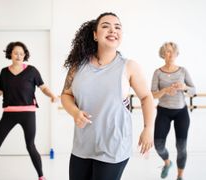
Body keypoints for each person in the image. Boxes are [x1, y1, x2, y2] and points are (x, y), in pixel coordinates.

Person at [61, 12, 154, 180]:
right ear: (95, 35)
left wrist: (148, 128)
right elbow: (66, 95)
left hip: (114, 146)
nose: (113, 30)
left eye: (117, 27)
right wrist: (75, 113)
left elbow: (147, 97)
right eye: (106, 26)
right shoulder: (77, 66)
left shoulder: (129, 66)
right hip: (82, 146)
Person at [0, 41, 58, 180]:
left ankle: (41, 177)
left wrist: (53, 95)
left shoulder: (32, 70)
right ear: (10, 54)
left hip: (28, 113)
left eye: (21, 53)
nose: (19, 56)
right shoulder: (4, 72)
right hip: (9, 114)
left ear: (25, 55)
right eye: (15, 53)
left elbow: (43, 87)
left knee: (30, 146)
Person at [151, 42, 195, 180]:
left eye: (173, 52)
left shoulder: (183, 71)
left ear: (177, 54)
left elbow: (193, 91)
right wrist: (164, 90)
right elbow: (152, 94)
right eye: (167, 52)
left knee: (181, 147)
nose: (170, 54)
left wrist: (184, 87)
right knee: (158, 145)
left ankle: (180, 176)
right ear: (163, 54)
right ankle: (167, 163)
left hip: (181, 113)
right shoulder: (157, 72)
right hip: (163, 112)